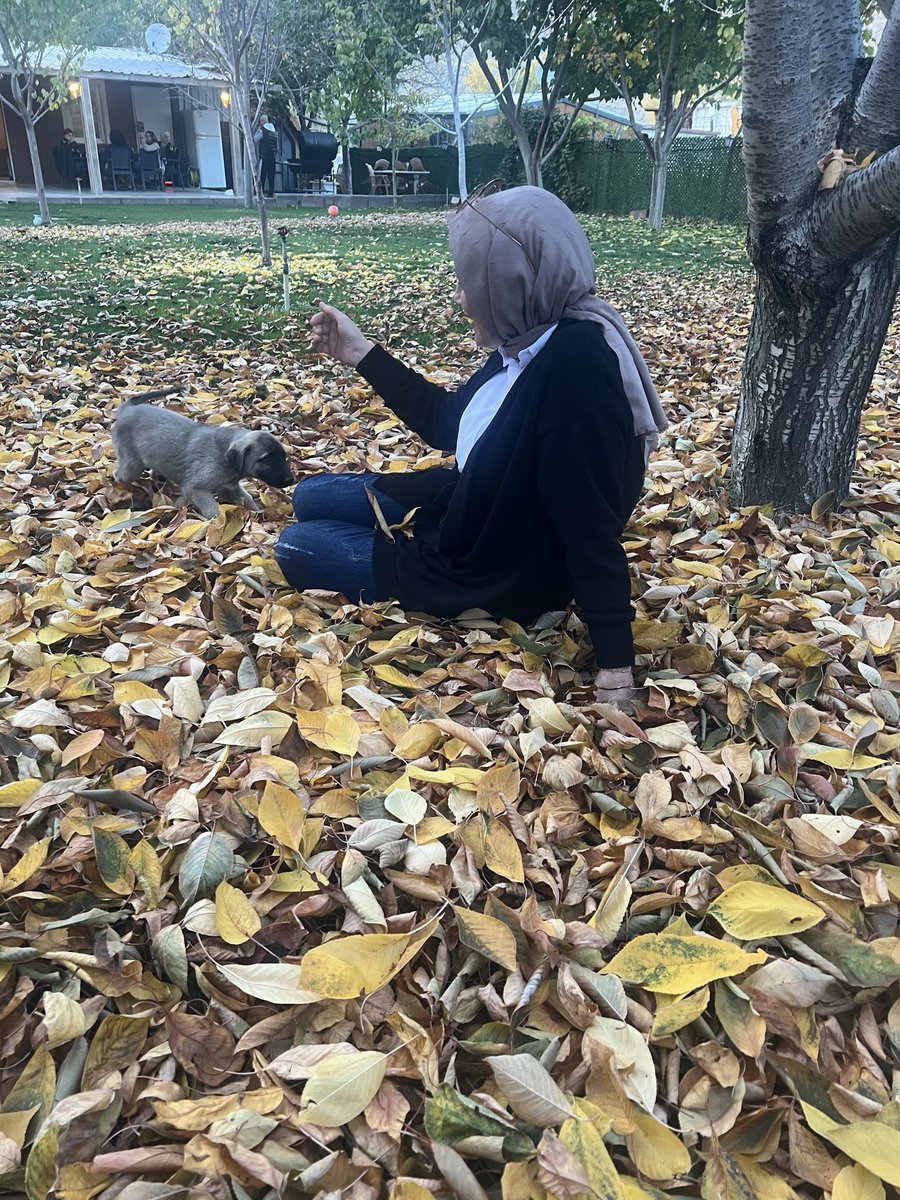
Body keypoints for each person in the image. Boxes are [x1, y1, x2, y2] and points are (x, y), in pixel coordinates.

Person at [276, 184, 667, 702]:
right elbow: (449, 422)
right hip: (468, 507)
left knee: (295, 545)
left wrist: (616, 666)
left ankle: (406, 562)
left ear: (510, 286)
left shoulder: (576, 373)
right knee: (309, 497)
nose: (462, 299)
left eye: (471, 285)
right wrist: (360, 352)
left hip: (491, 568)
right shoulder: (530, 333)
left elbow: (589, 526)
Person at [254, 112, 277, 199]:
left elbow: (255, 139)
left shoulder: (263, 131)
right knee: (271, 176)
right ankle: (271, 193)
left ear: (262, 122)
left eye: (260, 122)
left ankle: (261, 193)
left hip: (265, 156)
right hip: (273, 156)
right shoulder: (275, 132)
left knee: (262, 175)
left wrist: (259, 129)